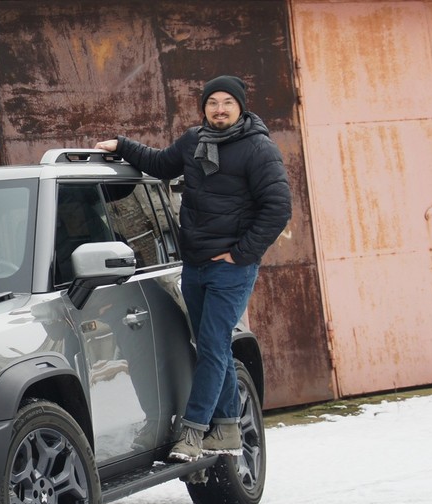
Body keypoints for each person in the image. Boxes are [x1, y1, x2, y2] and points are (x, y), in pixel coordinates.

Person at [94, 75, 291, 463]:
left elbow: (278, 208)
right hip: (196, 266)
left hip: (230, 270)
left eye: (227, 103)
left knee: (214, 346)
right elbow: (160, 164)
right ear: (203, 107)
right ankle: (229, 428)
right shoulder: (194, 141)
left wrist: (240, 254)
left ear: (241, 107)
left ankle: (194, 431)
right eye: (212, 102)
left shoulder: (258, 149)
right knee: (209, 346)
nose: (219, 109)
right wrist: (123, 145)